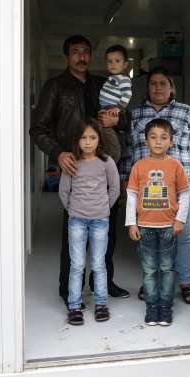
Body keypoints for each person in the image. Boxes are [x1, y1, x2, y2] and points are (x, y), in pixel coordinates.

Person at [29, 35, 130, 309]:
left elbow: (125, 116)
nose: (81, 57)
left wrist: (118, 119)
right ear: (66, 57)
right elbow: (37, 128)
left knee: (107, 233)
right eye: (75, 52)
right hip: (74, 168)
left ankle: (103, 284)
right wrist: (59, 153)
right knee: (72, 234)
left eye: (85, 52)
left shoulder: (103, 83)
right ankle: (68, 291)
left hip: (103, 166)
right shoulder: (55, 87)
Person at [120, 67, 190, 305]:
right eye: (153, 83)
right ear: (147, 88)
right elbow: (128, 150)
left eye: (163, 83)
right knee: (150, 236)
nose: (158, 87)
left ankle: (185, 282)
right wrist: (125, 178)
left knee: (183, 235)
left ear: (171, 87)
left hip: (178, 187)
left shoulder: (185, 112)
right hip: (147, 189)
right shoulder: (135, 114)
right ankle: (151, 281)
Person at [126, 118, 190, 326]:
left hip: (168, 227)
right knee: (149, 270)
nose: (158, 141)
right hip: (145, 227)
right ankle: (152, 307)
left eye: (163, 137)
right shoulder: (138, 167)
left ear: (171, 142)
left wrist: (180, 219)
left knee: (167, 269)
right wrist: (132, 223)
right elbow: (131, 196)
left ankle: (165, 307)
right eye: (153, 137)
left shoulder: (176, 166)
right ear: (146, 141)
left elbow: (185, 194)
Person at [59, 119, 120, 325]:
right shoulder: (72, 163)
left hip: (100, 221)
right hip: (76, 220)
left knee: (98, 264)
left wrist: (104, 208)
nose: (87, 142)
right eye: (83, 137)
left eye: (92, 137)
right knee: (76, 265)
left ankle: (101, 304)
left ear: (99, 140)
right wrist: (74, 209)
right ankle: (74, 306)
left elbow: (114, 189)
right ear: (76, 140)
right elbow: (64, 191)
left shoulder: (107, 162)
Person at [99, 44, 132, 163]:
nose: (113, 64)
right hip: (109, 108)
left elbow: (127, 94)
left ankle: (112, 160)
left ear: (125, 64)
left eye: (117, 61)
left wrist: (118, 108)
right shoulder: (113, 77)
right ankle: (122, 153)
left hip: (113, 109)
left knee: (108, 133)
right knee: (116, 134)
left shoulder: (123, 79)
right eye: (110, 61)